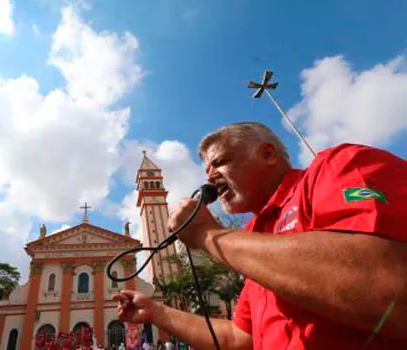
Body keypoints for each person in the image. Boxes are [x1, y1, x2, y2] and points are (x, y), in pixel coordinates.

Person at [113, 122, 407, 349]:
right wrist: (155, 312)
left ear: (267, 154)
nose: (210, 176)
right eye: (206, 170)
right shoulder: (252, 237)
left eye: (220, 162)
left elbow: (387, 287)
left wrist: (208, 234)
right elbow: (239, 338)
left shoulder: (335, 168)